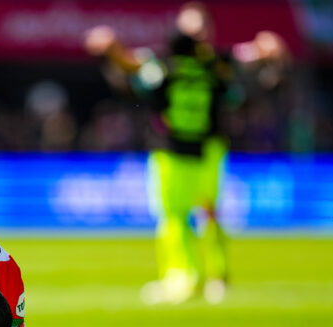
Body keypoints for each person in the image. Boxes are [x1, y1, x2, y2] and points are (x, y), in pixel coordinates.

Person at [85, 3, 287, 304]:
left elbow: (256, 52)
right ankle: (181, 279)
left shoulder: (220, 63)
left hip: (208, 149)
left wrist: (267, 47)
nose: (195, 37)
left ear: (210, 31)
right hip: (170, 150)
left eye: (200, 29)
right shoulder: (163, 62)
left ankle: (217, 277)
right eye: (189, 30)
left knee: (209, 213)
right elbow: (130, 63)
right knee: (173, 217)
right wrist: (111, 47)